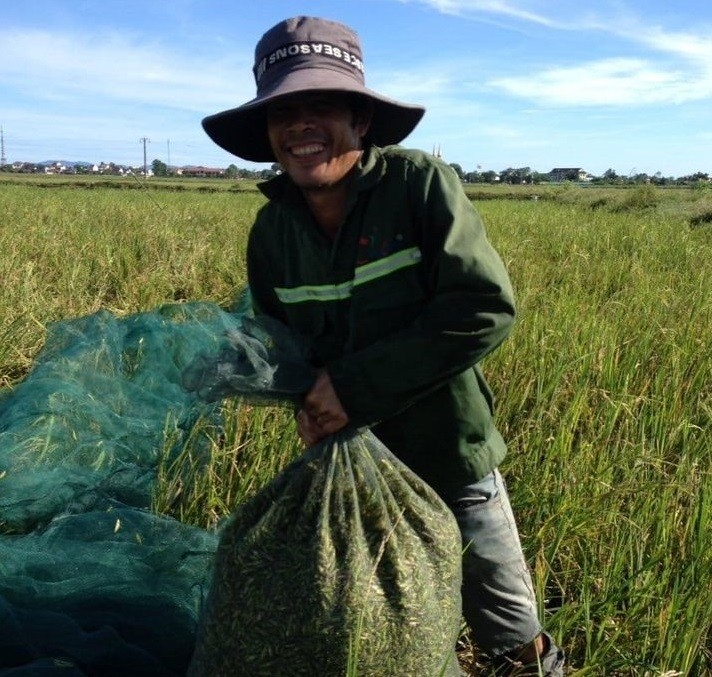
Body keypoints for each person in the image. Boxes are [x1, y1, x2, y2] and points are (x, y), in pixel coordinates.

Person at [202, 15, 565, 676]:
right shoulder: (271, 232)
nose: (302, 124)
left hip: (451, 455)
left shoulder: (419, 186)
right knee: (364, 628)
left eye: (322, 105)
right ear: (267, 132)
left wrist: (354, 386)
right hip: (346, 472)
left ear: (361, 121)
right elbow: (284, 345)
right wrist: (268, 380)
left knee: (511, 634)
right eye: (284, 111)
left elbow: (483, 306)